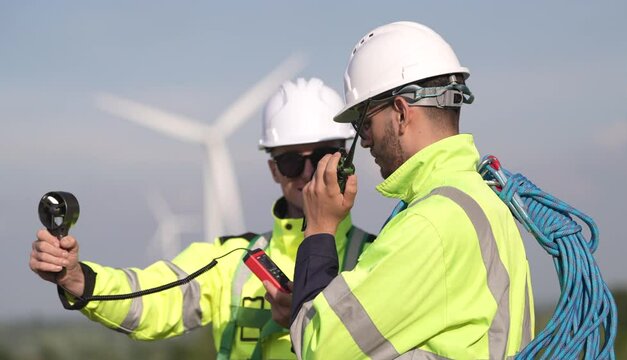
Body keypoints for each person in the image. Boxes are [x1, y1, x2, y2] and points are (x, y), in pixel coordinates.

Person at [29, 77, 376, 360]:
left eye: (321, 157)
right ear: (273, 169)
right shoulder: (231, 259)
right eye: (289, 162)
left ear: (344, 159)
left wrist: (309, 320)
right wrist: (78, 280)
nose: (306, 173)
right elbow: (152, 300)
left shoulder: (381, 254)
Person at [282, 22, 535, 359]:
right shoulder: (479, 198)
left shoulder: (431, 224)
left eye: (364, 123)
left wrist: (318, 230)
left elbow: (317, 346)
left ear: (400, 113)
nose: (365, 140)